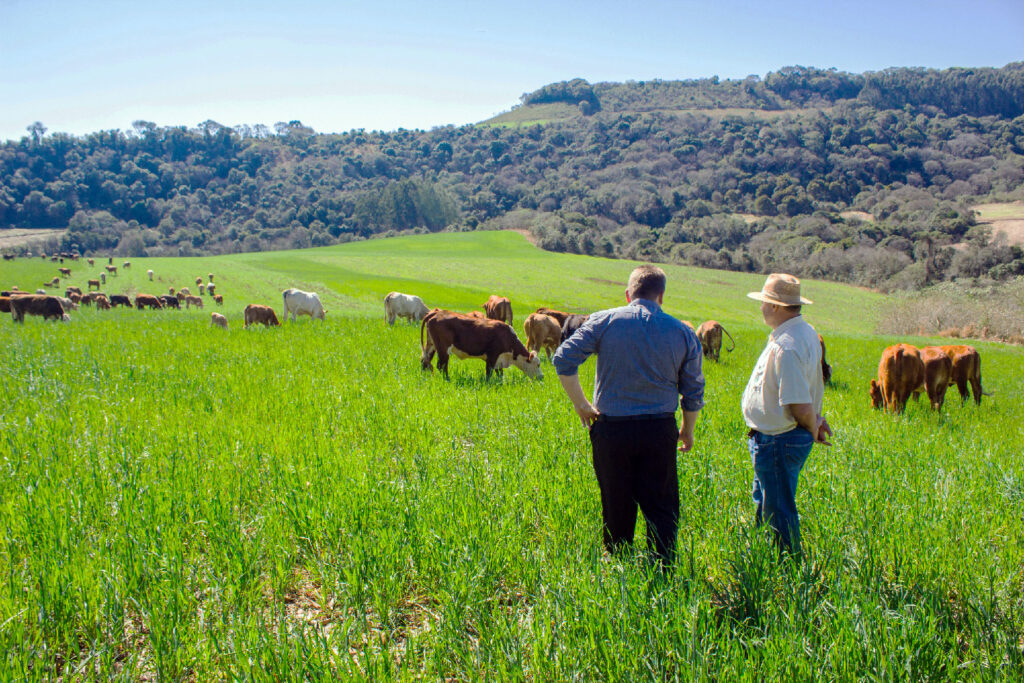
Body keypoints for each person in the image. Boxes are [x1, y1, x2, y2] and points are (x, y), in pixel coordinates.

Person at [552, 264, 704, 566]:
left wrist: (581, 403)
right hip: (660, 429)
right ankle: (662, 566)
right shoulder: (683, 332)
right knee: (661, 502)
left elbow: (563, 358)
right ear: (661, 296)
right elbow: (693, 390)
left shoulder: (604, 321)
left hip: (612, 429)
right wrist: (687, 430)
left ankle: (619, 565)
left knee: (616, 497)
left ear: (627, 294)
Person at [741, 273, 832, 555]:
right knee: (768, 501)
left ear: (777, 307)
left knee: (779, 509)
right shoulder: (801, 333)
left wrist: (812, 424)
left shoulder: (787, 345)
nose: (761, 308)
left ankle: (789, 570)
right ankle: (764, 559)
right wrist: (813, 421)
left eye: (765, 302)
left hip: (779, 439)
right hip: (774, 438)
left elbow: (798, 403)